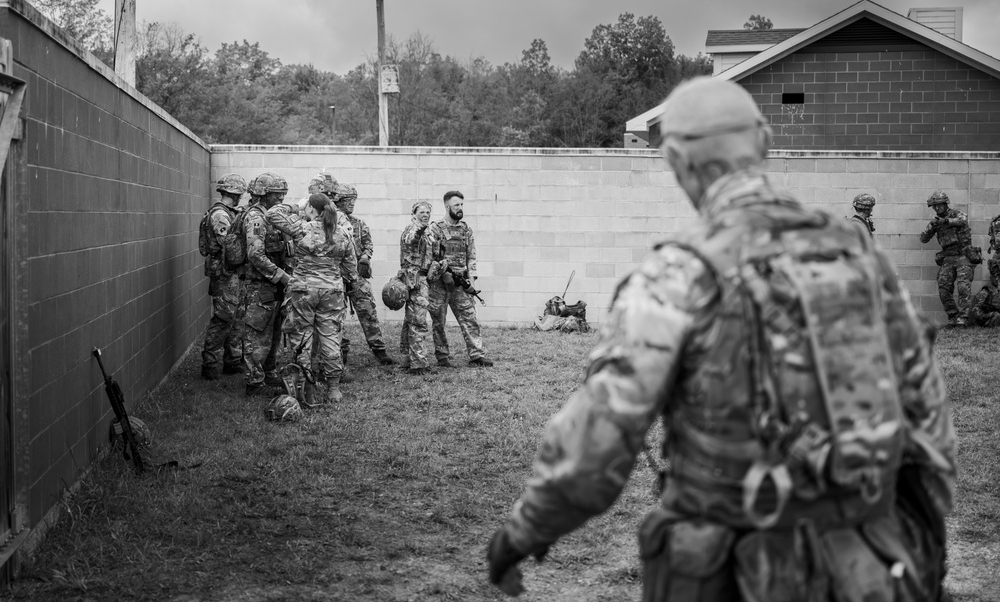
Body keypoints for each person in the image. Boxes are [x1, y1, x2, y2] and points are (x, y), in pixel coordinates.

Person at [487, 77, 955, 602]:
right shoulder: (859, 255)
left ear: (677, 161)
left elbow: (602, 431)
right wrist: (920, 540)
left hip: (732, 569)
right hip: (867, 565)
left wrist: (526, 529)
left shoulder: (676, 275)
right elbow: (926, 414)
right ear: (763, 142)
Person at [267, 193, 359, 404]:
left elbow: (272, 213)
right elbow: (351, 271)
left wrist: (295, 207)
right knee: (330, 336)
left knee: (302, 336)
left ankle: (306, 387)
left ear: (310, 208)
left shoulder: (302, 228)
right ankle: (334, 388)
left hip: (303, 290)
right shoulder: (343, 233)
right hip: (332, 291)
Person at [239, 172, 294, 397]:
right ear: (263, 194)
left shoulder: (273, 217)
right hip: (260, 286)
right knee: (257, 333)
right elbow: (255, 255)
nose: (281, 198)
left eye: (283, 194)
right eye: (276, 194)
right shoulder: (256, 218)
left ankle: (268, 373)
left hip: (274, 285)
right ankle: (254, 382)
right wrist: (282, 276)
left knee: (274, 331)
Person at [427, 191, 493, 367]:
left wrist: (471, 279)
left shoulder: (465, 229)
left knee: (470, 318)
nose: (460, 208)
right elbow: (431, 256)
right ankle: (442, 357)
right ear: (447, 206)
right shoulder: (435, 228)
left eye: (462, 204)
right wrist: (444, 274)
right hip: (440, 284)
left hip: (461, 283)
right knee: (438, 322)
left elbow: (471, 256)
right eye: (456, 205)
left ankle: (477, 355)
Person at [333, 183, 395, 366]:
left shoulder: (359, 224)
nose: (351, 204)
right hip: (336, 275)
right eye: (347, 200)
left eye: (353, 200)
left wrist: (365, 257)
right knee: (336, 315)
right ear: (337, 201)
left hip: (357, 276)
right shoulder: (329, 223)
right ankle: (340, 350)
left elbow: (368, 244)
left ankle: (379, 349)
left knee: (368, 311)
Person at [199, 173, 247, 382]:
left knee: (235, 317)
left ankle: (232, 361)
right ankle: (210, 364)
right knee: (223, 318)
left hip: (231, 271)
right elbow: (229, 245)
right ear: (234, 193)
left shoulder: (228, 212)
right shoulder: (220, 215)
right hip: (225, 272)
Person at [920, 190, 975, 327]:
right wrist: (932, 227)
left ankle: (963, 318)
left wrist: (946, 221)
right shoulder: (936, 222)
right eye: (935, 206)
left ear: (946, 204)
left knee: (963, 287)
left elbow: (963, 220)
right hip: (948, 257)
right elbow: (923, 239)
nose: (937, 208)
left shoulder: (956, 214)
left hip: (963, 255)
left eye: (940, 205)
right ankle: (953, 316)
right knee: (943, 287)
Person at [398, 201, 434, 375]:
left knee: (410, 319)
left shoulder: (428, 233)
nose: (425, 215)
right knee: (418, 320)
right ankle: (418, 363)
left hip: (423, 278)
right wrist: (420, 228)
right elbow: (412, 239)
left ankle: (407, 358)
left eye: (427, 212)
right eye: (421, 212)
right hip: (415, 280)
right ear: (413, 215)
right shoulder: (412, 230)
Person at [969, 258, 1000, 327]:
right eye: (994, 277)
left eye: (998, 277)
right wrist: (987, 315)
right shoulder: (986, 291)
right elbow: (975, 309)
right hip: (988, 318)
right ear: (990, 278)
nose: (996, 279)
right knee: (997, 316)